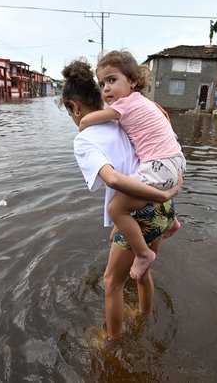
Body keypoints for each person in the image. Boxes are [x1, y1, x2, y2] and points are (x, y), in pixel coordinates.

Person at [60, 59, 182, 341]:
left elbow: (113, 179)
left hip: (143, 208)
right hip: (163, 210)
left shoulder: (84, 140)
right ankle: (145, 317)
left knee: (112, 283)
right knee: (141, 273)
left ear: (74, 107)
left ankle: (113, 345)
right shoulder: (121, 121)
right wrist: (165, 194)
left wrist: (160, 192)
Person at [79, 50, 185, 280]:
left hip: (160, 165)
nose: (105, 88)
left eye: (112, 80)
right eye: (102, 83)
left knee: (116, 208)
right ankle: (172, 223)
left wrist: (82, 127)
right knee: (137, 193)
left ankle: (143, 253)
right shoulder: (148, 104)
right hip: (176, 161)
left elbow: (87, 120)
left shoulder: (124, 105)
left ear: (133, 81)